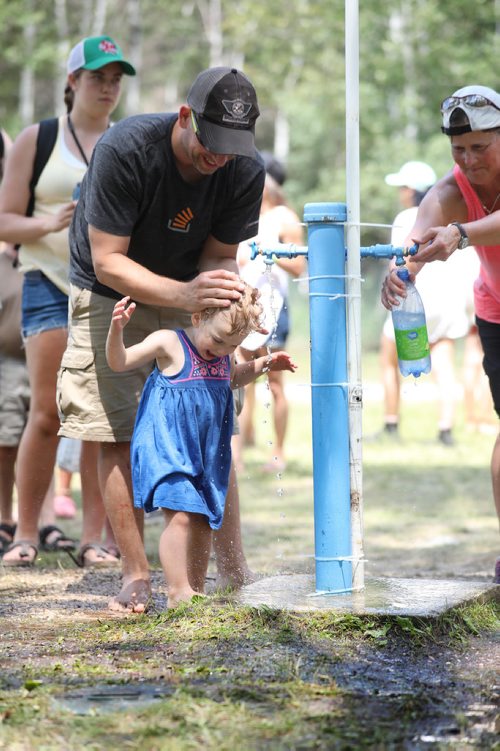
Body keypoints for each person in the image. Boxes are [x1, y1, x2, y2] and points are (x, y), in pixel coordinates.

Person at [57, 66, 266, 611]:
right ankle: (137, 575)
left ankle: (232, 572)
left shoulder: (244, 168)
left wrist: (224, 306)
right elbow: (108, 261)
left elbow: (219, 255)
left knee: (212, 425)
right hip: (112, 293)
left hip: (190, 291)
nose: (218, 157)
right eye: (210, 142)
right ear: (184, 117)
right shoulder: (127, 150)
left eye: (232, 147)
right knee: (119, 431)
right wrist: (184, 294)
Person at [0, 35, 136, 567]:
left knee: (99, 415)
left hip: (102, 288)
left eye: (116, 79)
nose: (108, 87)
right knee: (46, 412)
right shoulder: (39, 139)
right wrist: (49, 221)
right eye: (98, 76)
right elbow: (5, 219)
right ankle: (26, 533)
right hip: (46, 282)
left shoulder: (126, 139)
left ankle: (95, 538)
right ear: (72, 80)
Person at [106, 287, 296, 607]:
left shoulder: (224, 355)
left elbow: (233, 376)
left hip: (206, 454)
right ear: (198, 318)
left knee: (203, 521)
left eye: (233, 345)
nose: (222, 350)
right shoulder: (169, 342)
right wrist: (116, 330)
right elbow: (119, 361)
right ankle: (178, 589)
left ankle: (194, 589)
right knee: (179, 518)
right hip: (169, 449)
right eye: (218, 339)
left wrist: (265, 364)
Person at [380, 84, 500, 583]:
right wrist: (400, 272)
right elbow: (418, 239)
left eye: (480, 147)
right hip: (496, 310)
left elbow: (465, 231)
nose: (468, 160)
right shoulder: (452, 191)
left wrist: (463, 233)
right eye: (458, 150)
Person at [379, 160, 471, 446]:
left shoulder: (407, 217)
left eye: (403, 188)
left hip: (412, 297)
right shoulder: (454, 214)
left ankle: (391, 422)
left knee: (388, 359)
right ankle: (445, 429)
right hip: (446, 300)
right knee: (443, 364)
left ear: (412, 191)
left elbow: (397, 258)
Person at [235, 169, 305, 471]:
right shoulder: (238, 217)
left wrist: (269, 254)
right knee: (237, 379)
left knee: (274, 382)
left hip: (274, 309)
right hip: (240, 310)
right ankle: (236, 455)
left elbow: (299, 266)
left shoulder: (283, 217)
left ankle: (278, 452)